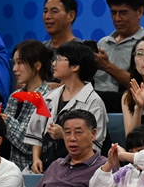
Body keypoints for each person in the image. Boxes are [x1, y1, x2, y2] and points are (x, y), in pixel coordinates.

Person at [25, 41, 107, 171]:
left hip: (78, 170)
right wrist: (36, 159)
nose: (53, 64)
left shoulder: (94, 102)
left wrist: (64, 135)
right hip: (45, 167)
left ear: (75, 66)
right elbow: (36, 133)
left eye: (59, 59)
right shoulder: (49, 97)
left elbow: (94, 146)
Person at [93, 0, 144, 113]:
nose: (117, 19)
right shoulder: (103, 43)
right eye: (113, 13)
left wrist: (108, 66)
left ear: (140, 12)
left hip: (127, 103)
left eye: (123, 13)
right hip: (95, 102)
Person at [1, 40, 53, 169]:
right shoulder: (15, 96)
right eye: (14, 63)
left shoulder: (50, 99)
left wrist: (6, 121)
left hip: (34, 171)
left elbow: (29, 145)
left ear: (37, 65)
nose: (14, 69)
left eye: (20, 63)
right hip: (10, 169)